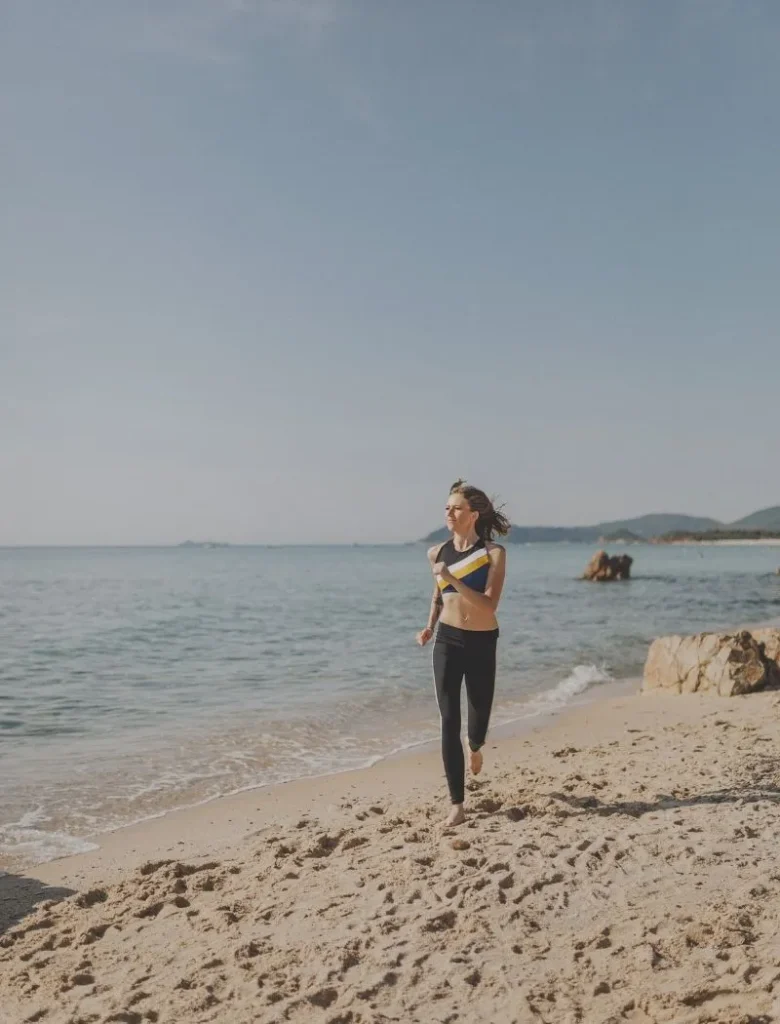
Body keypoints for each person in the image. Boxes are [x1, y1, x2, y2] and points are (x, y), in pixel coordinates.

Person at [416, 479, 509, 825]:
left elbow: (488, 605)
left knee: (478, 718)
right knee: (448, 720)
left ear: (473, 514)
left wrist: (453, 578)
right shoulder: (436, 553)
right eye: (446, 507)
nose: (449, 513)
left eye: (456, 508)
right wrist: (429, 625)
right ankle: (457, 803)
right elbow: (438, 594)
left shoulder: (493, 554)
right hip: (447, 641)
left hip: (482, 642)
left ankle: (475, 747)